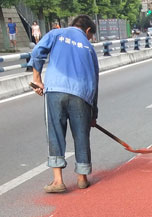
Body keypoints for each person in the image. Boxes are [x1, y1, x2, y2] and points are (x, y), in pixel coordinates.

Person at [29, 15, 99, 193]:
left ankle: (58, 181)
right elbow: (94, 81)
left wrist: (37, 79)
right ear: (88, 30)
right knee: (81, 134)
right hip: (82, 94)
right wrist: (93, 114)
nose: (89, 39)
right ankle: (82, 177)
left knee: (55, 133)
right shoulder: (89, 49)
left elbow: (37, 52)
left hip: (55, 89)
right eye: (90, 35)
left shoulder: (56, 33)